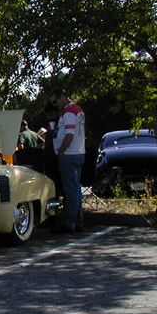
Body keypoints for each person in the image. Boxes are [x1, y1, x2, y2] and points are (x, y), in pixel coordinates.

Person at [49, 88, 86, 234]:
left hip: (69, 154)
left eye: (55, 101)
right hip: (78, 152)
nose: (55, 104)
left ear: (63, 97)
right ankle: (77, 221)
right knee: (76, 188)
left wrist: (61, 151)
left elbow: (69, 134)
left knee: (70, 189)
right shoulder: (78, 109)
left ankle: (69, 222)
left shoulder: (69, 112)